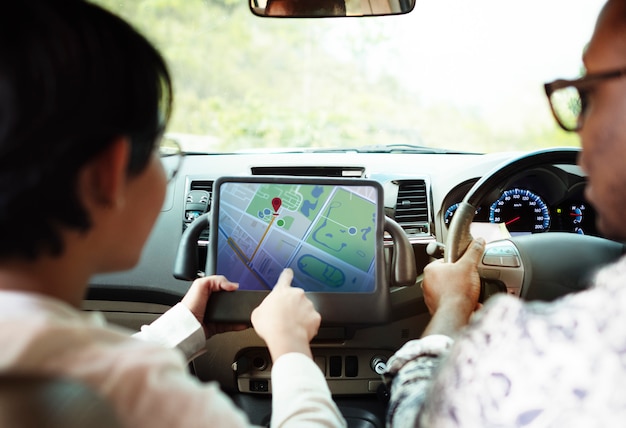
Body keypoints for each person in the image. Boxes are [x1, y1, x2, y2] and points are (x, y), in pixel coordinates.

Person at [0, 1, 346, 427]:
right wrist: (291, 348)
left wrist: (183, 326)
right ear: (108, 173)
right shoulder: (137, 393)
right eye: (161, 150)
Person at [384, 0, 626, 426]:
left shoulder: (522, 356)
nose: (582, 142)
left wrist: (453, 305)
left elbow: (414, 418)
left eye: (588, 95)